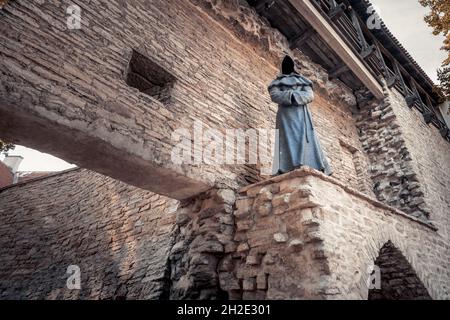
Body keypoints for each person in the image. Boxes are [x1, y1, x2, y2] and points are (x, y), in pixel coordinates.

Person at [268, 55, 332, 175]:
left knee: (305, 140)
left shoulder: (303, 81)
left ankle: (309, 164)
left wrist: (292, 96)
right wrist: (291, 95)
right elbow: (274, 95)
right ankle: (286, 167)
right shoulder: (277, 82)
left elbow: (309, 95)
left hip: (302, 116)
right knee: (285, 140)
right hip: (285, 117)